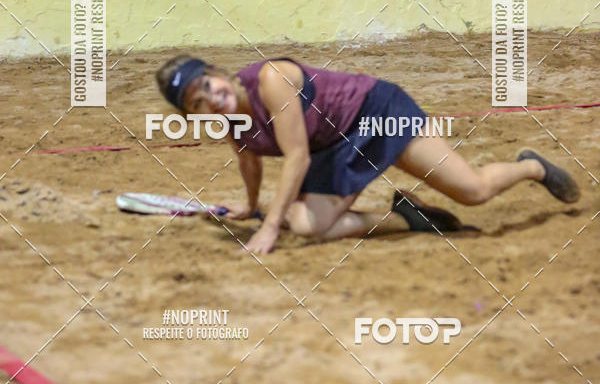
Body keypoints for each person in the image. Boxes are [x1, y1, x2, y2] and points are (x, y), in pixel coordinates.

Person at [155, 55, 580, 255]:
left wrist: (267, 227)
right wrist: (251, 206)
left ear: (218, 73)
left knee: (473, 191)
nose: (212, 99)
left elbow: (297, 157)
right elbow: (248, 156)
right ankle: (410, 218)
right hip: (334, 148)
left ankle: (532, 166)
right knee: (306, 225)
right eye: (197, 102)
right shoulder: (228, 118)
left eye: (208, 85)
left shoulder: (271, 79)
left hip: (377, 114)